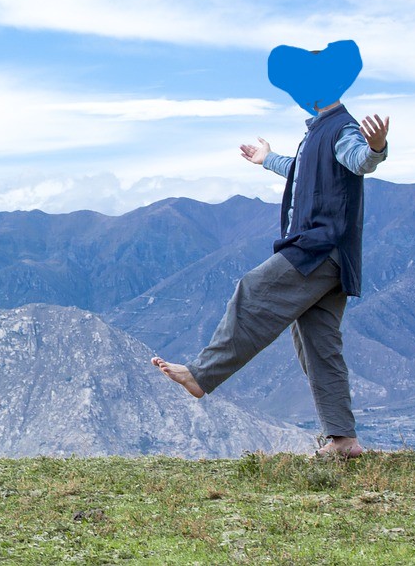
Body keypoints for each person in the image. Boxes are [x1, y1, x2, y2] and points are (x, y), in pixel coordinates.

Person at [151, 96, 390, 459]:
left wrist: (376, 148)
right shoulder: (316, 133)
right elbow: (303, 169)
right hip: (333, 257)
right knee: (319, 344)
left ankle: (201, 376)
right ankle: (344, 441)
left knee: (253, 289)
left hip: (317, 251)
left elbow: (359, 160)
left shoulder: (342, 129)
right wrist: (267, 159)